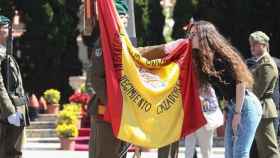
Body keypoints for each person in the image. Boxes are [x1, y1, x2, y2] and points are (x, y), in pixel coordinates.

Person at [187, 20, 262, 158]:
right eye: (190, 35)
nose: (190, 38)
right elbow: (225, 89)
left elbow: (240, 83)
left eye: (193, 35)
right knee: (229, 154)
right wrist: (228, 109)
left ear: (204, 36)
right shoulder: (205, 61)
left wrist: (237, 113)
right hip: (233, 105)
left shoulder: (222, 56)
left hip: (245, 105)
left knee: (240, 153)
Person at [0, 16, 30, 158]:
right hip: (9, 114)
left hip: (17, 111)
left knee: (15, 153)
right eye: (6, 28)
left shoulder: (6, 53)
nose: (10, 31)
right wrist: (11, 112)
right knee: (9, 153)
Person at [248, 31, 280, 158]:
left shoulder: (266, 64)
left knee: (269, 150)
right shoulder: (260, 62)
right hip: (260, 108)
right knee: (261, 150)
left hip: (264, 109)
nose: (252, 47)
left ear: (264, 45)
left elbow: (258, 90)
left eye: (255, 44)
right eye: (251, 44)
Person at [185, 84, 220, 158]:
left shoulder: (207, 87)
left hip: (204, 123)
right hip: (190, 122)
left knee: (206, 153)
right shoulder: (187, 86)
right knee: (188, 152)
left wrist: (203, 102)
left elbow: (214, 105)